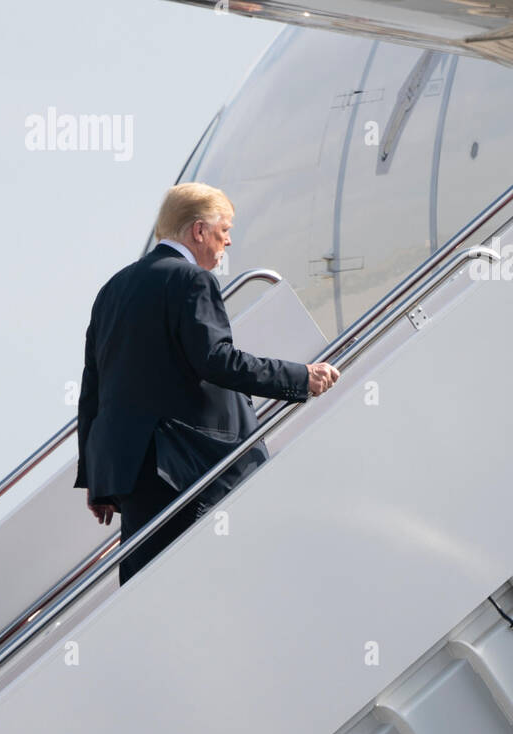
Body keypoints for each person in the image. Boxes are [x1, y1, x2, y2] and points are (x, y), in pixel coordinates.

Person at [74, 182, 339, 584]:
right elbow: (216, 360)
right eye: (224, 230)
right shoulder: (191, 281)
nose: (228, 242)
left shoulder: (112, 289)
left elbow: (92, 390)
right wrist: (301, 378)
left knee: (147, 588)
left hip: (130, 473)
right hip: (184, 468)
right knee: (217, 580)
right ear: (198, 231)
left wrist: (97, 479)